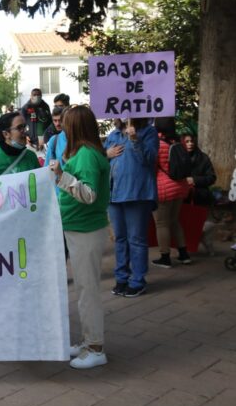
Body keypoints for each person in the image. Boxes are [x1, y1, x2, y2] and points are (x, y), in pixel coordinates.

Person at [48, 105, 110, 369]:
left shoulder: (85, 154)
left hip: (85, 228)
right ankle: (89, 342)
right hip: (81, 227)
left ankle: (96, 347)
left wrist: (62, 176)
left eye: (66, 122)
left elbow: (89, 193)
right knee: (85, 289)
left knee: (87, 291)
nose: (61, 125)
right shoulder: (87, 152)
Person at [103, 117, 158, 297]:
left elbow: (150, 159)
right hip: (114, 194)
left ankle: (137, 280)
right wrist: (106, 154)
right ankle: (122, 278)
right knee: (120, 238)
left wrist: (135, 141)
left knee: (136, 239)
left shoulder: (149, 132)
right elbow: (103, 161)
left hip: (137, 193)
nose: (120, 116)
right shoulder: (114, 135)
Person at [152, 117, 192, 269]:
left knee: (161, 223)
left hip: (163, 189)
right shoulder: (177, 142)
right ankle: (184, 254)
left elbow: (153, 166)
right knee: (174, 221)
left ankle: (165, 257)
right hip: (180, 187)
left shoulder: (158, 144)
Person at [182, 134, 217, 255]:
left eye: (192, 141)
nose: (190, 144)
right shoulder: (178, 158)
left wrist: (195, 180)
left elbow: (212, 177)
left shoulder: (203, 158)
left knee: (204, 225)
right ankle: (186, 249)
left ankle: (206, 243)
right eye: (186, 141)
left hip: (201, 197)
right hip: (183, 198)